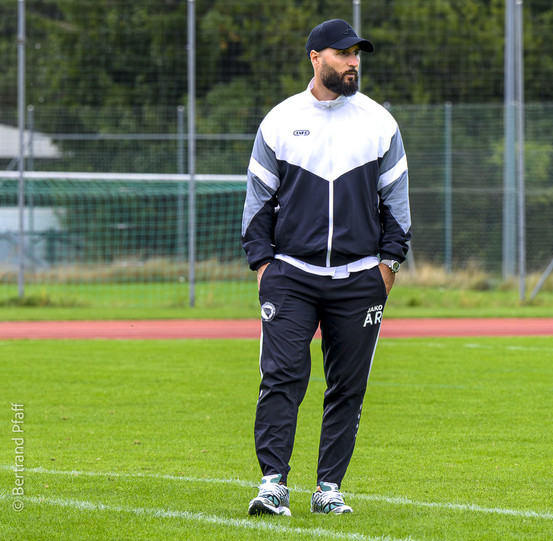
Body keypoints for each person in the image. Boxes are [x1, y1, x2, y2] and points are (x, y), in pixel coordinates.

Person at [241, 19, 411, 516]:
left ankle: (328, 489)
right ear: (316, 58)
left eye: (357, 54)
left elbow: (397, 204)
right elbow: (257, 201)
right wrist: (264, 265)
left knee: (348, 387)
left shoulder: (379, 123)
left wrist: (387, 266)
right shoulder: (279, 121)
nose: (353, 62)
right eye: (343, 53)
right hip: (290, 276)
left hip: (361, 279)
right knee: (282, 377)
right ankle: (273, 484)